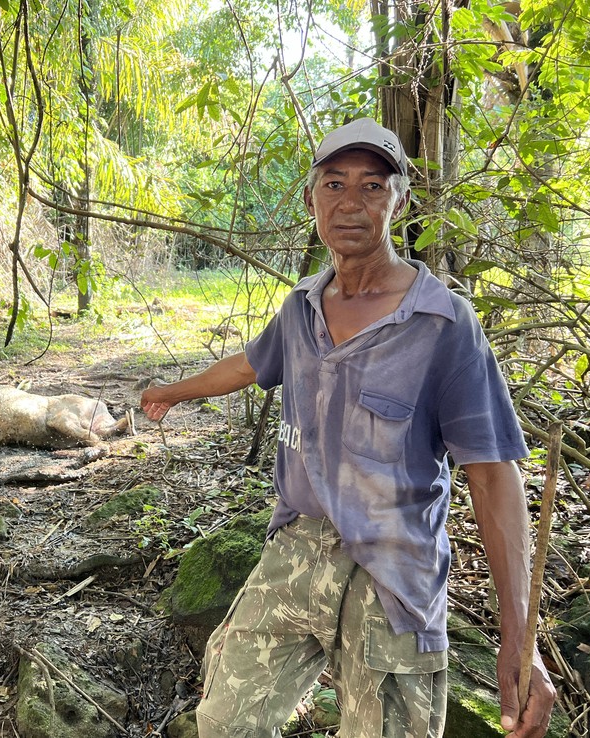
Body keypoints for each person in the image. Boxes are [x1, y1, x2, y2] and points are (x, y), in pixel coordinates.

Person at [141, 118, 557, 738]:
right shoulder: (301, 306)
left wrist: (519, 635)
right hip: (296, 552)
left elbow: (495, 478)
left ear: (400, 200)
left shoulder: (444, 325)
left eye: (372, 186)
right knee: (224, 720)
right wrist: (170, 392)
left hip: (394, 571)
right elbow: (252, 363)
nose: (351, 203)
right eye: (334, 184)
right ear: (311, 198)